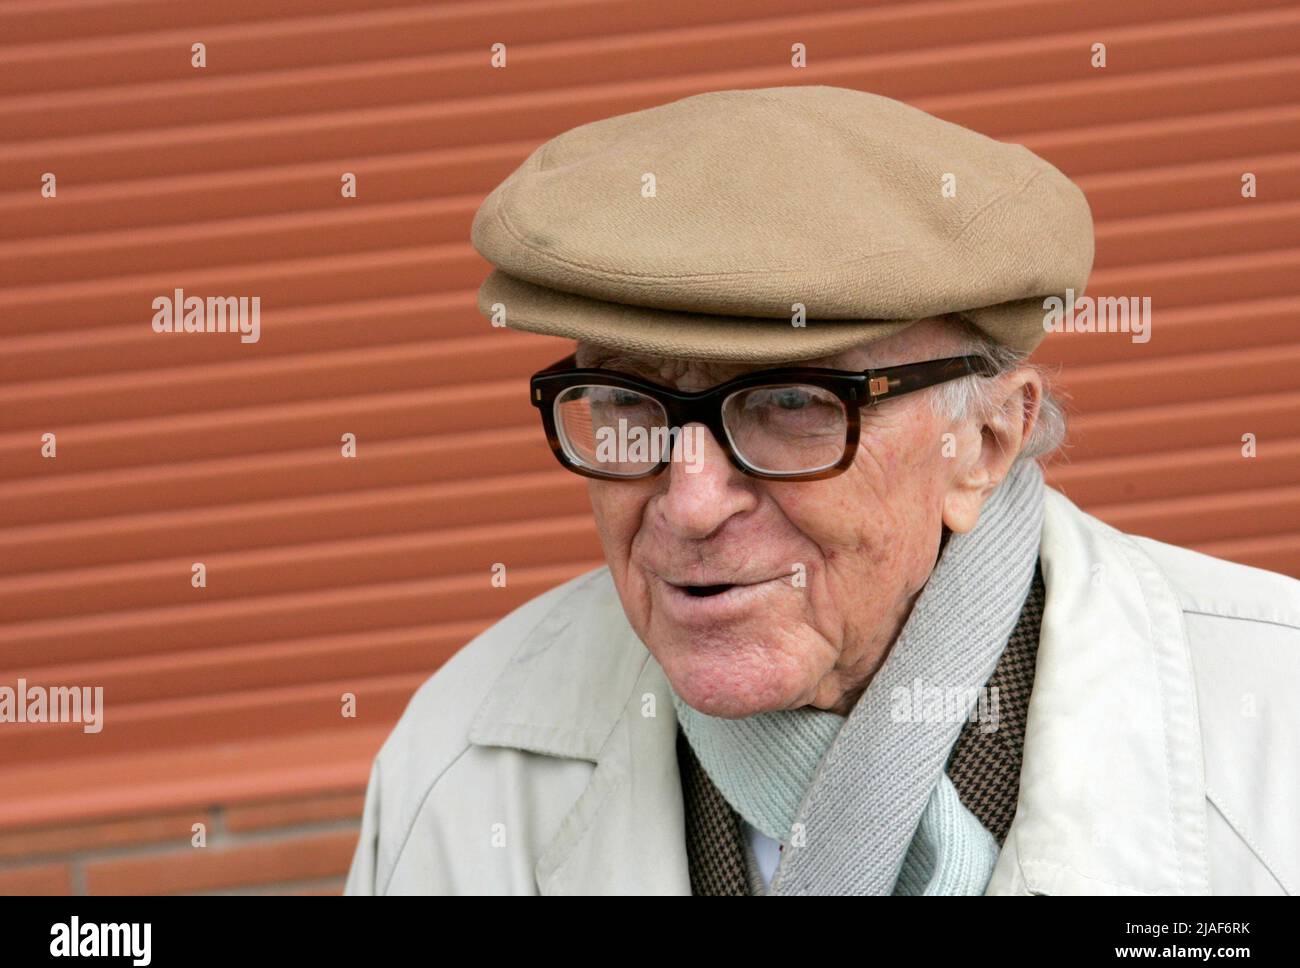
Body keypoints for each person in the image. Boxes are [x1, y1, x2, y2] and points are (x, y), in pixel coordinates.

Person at [345, 85, 1300, 895]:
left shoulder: (1273, 731)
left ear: (985, 440)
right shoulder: (462, 766)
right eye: (624, 398)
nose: (690, 504)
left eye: (791, 404)